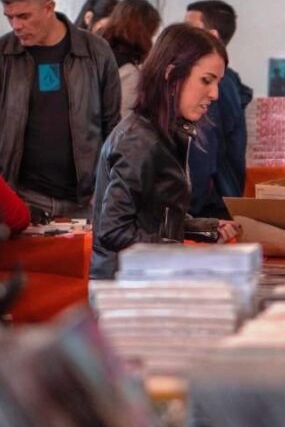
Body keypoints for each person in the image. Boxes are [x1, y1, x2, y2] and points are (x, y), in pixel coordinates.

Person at [0, 0, 121, 221]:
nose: (16, 25)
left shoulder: (96, 52)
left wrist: (106, 189)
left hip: (85, 200)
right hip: (20, 199)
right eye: (10, 17)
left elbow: (113, 128)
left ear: (49, 8)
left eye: (24, 16)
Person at [92, 24, 242, 278]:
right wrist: (182, 250)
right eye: (206, 80)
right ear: (172, 74)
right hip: (125, 288)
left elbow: (153, 220)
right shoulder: (137, 140)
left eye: (218, 82)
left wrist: (205, 228)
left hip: (145, 279)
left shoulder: (163, 133)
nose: (215, 94)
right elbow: (113, 231)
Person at [184, 0, 252, 219]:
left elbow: (202, 152)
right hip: (221, 202)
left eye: (189, 30)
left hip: (208, 209)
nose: (181, 37)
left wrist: (188, 211)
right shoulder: (228, 81)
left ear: (211, 36)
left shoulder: (213, 88)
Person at [100, 0, 161, 117]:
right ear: (144, 32)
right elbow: (123, 124)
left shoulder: (96, 49)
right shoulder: (129, 73)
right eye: (152, 33)